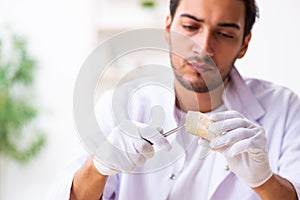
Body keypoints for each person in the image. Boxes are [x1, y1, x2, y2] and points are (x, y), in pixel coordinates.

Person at [50, 0, 300, 199]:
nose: (204, 47)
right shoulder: (121, 104)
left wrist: (265, 182)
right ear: (168, 28)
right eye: (191, 27)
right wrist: (99, 166)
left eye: (224, 33)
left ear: (244, 44)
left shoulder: (284, 109)